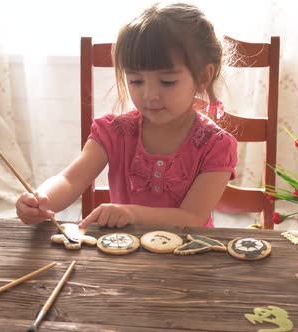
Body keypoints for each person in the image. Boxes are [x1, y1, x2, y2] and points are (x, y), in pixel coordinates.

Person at [15, 2, 238, 229]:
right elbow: (70, 180)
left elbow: (191, 218)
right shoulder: (114, 132)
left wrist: (130, 213)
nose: (150, 95)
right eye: (136, 81)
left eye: (167, 82)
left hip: (187, 255)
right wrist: (41, 199)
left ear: (203, 76)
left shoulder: (216, 146)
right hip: (122, 253)